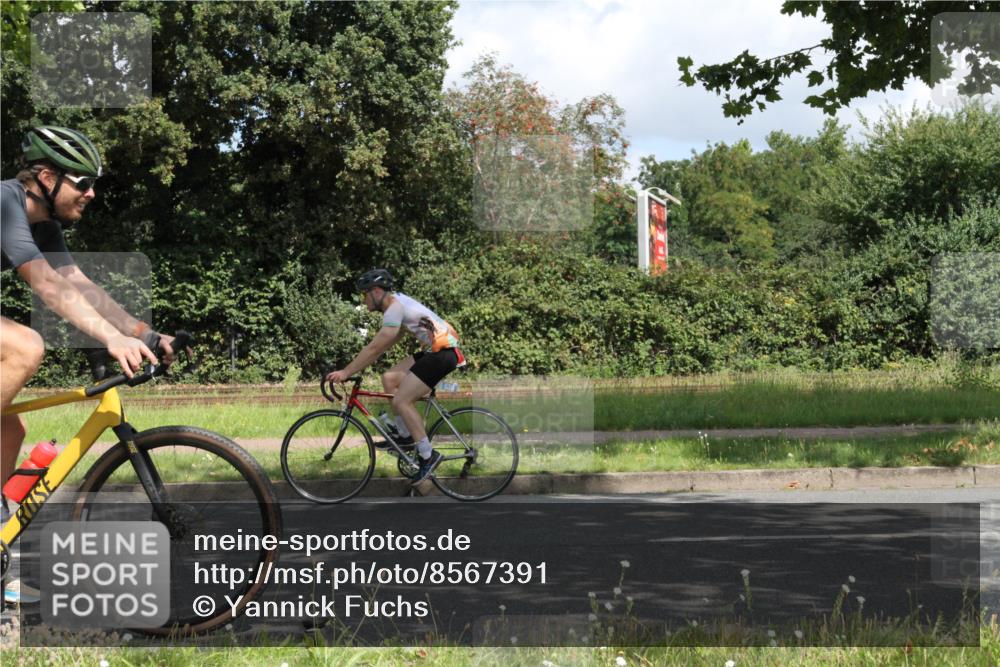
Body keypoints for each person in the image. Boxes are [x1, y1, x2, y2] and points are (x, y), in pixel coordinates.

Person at [1, 126, 178, 604]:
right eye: (82, 182)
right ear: (45, 177)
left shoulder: (45, 224)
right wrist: (110, 337)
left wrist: (140, 332)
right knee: (25, 346)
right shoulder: (5, 202)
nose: (91, 192)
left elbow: (78, 285)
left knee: (8, 433)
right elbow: (45, 285)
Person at [326, 269, 465, 484]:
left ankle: (428, 456)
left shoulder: (394, 308)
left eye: (365, 294)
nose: (364, 300)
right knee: (390, 378)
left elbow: (374, 349)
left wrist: (346, 372)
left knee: (402, 400)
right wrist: (357, 365)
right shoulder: (399, 304)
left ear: (377, 291)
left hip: (443, 354)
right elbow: (383, 345)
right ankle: (406, 435)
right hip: (438, 352)